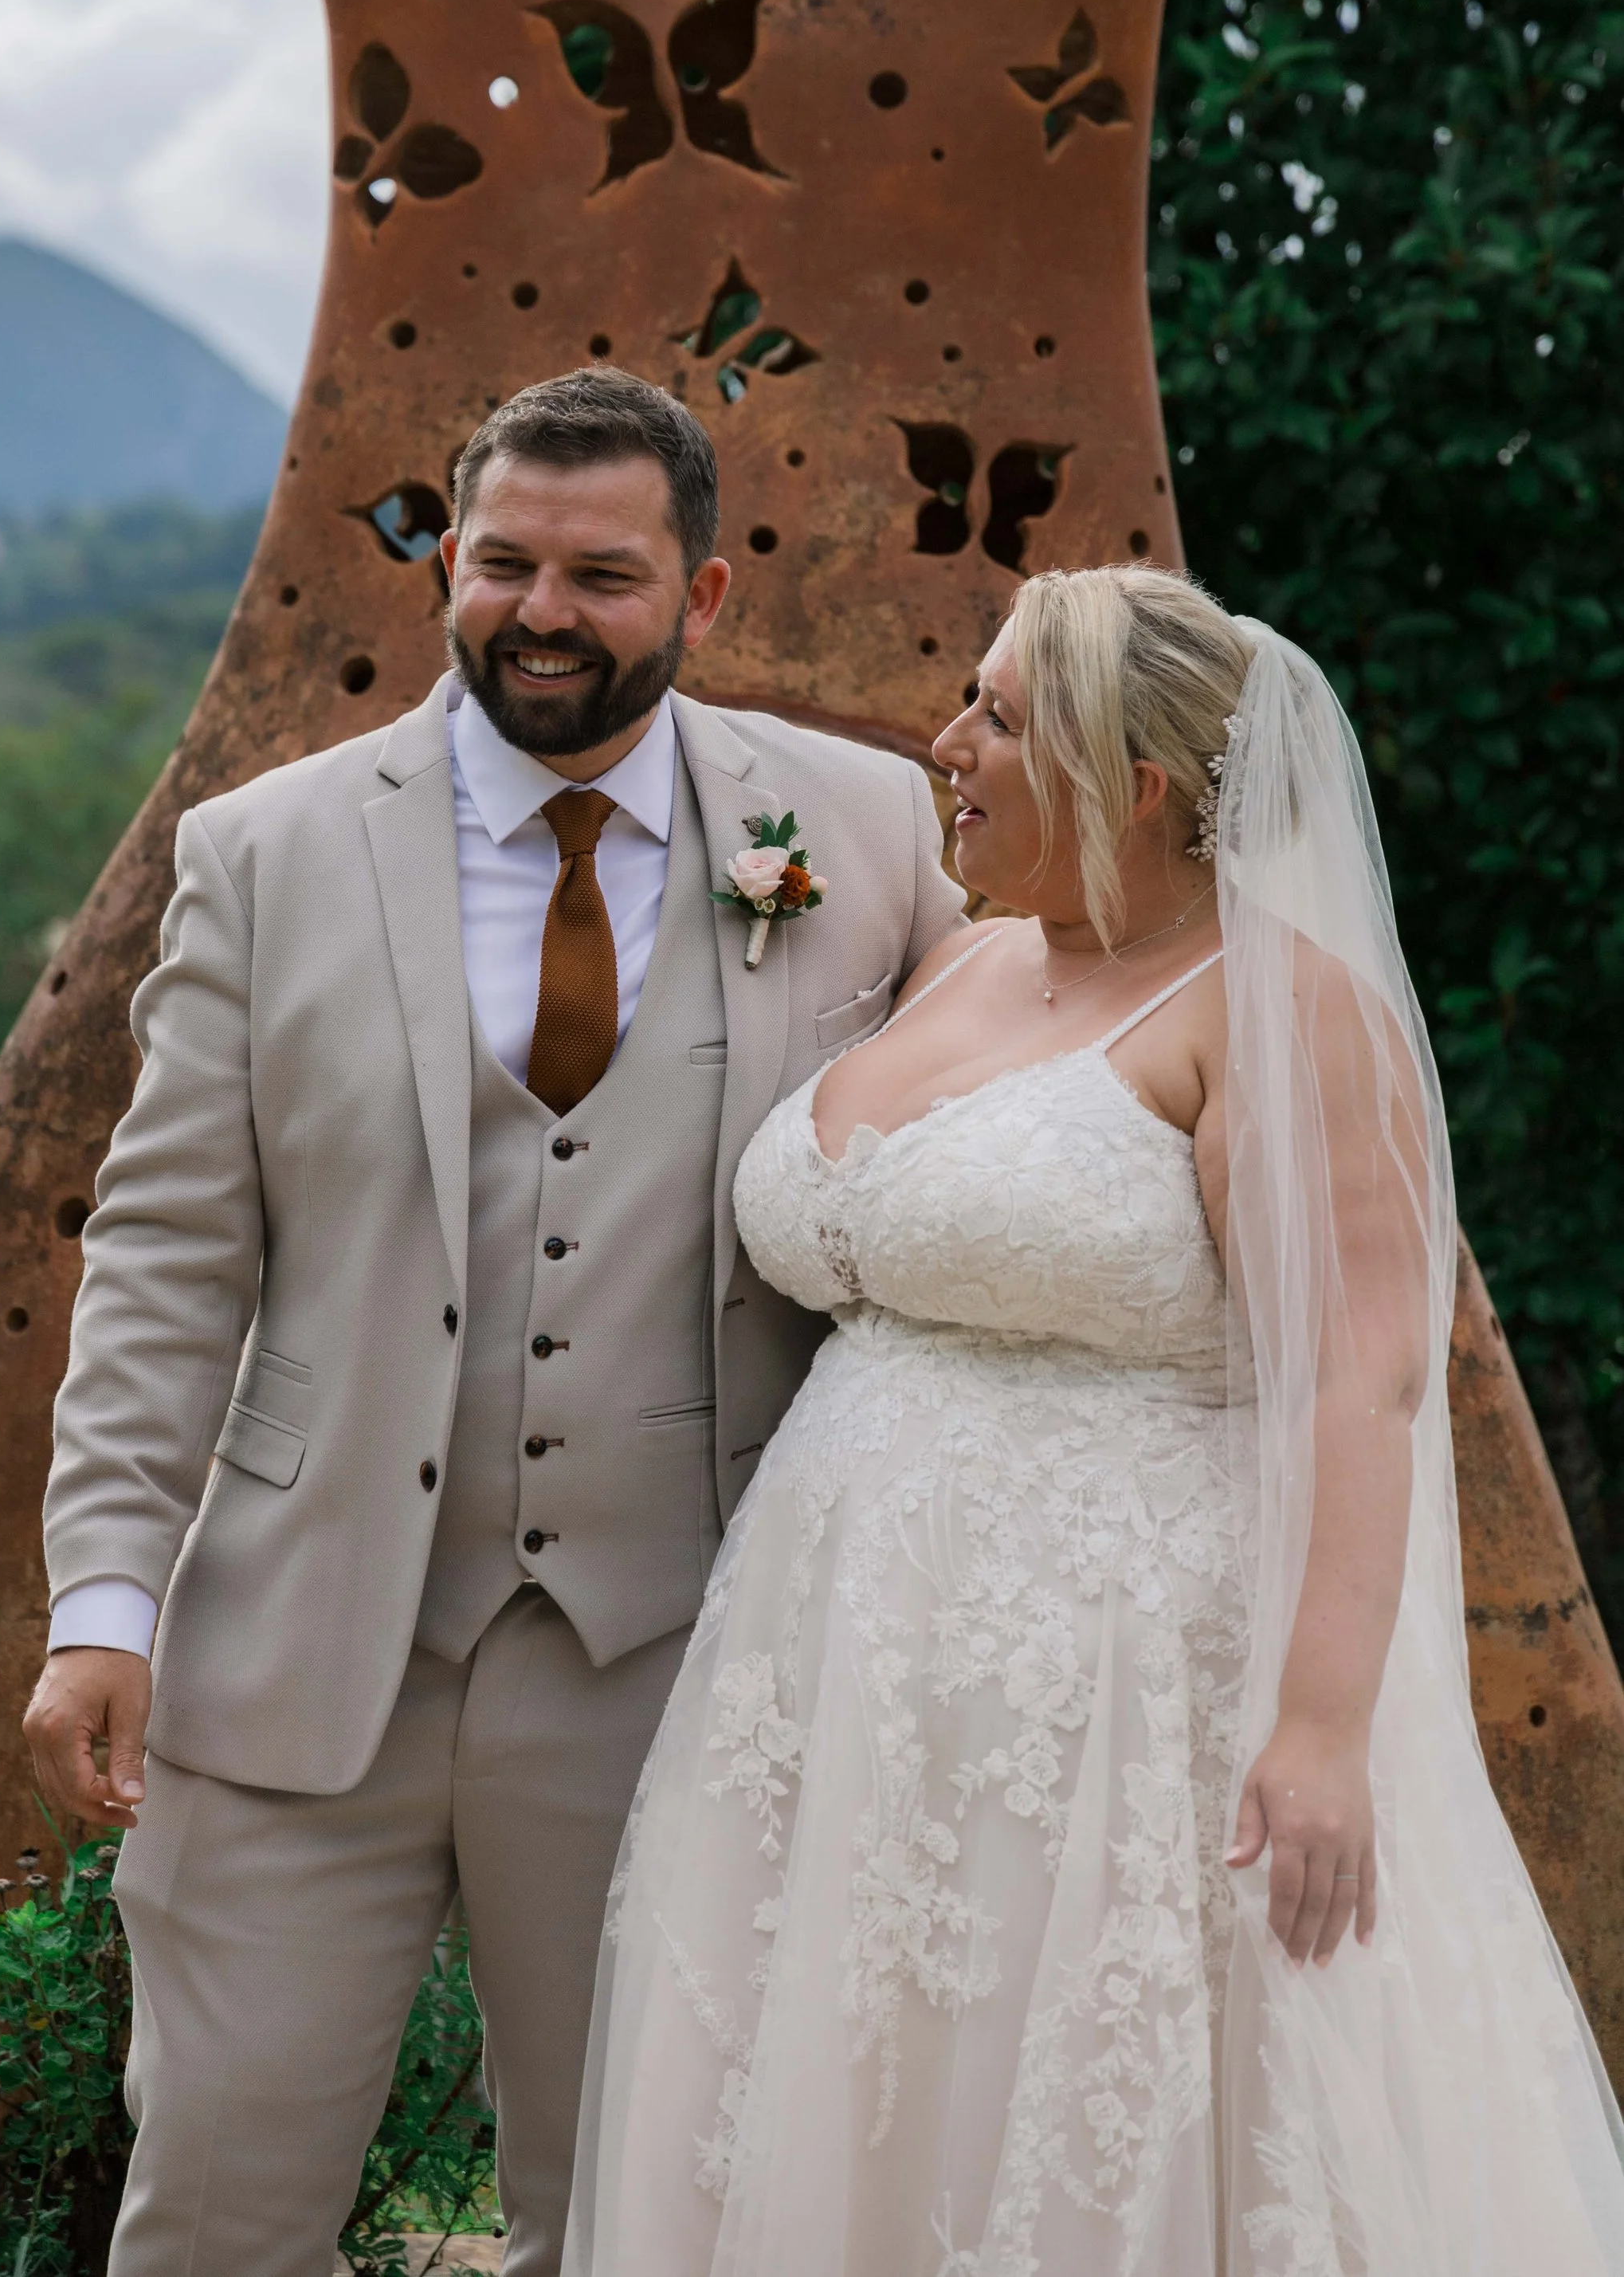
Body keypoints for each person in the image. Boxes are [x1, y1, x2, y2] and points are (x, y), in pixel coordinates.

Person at [567, 563, 1624, 2277]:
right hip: (835, 1673)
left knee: (1091, 2123)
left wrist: (1320, 1729)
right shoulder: (967, 963)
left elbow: (1357, 1380)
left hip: (1118, 1697)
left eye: (992, 711)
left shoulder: (1279, 1015)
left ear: (1129, 782)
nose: (944, 741)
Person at [23, 366, 966, 2276]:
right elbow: (165, 1256)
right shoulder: (264, 853)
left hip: (671, 1658)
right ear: (449, 562)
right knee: (212, 2205)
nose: (539, 612)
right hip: (294, 1650)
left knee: (630, 2217)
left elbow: (997, 1112)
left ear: (702, 599)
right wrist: (102, 1601)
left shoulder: (858, 833)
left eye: (599, 575)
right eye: (502, 563)